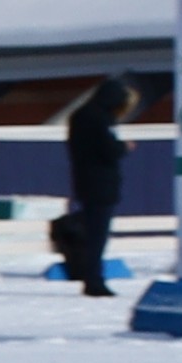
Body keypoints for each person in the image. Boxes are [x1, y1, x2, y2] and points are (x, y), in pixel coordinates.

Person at [59, 82, 128, 298]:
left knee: (90, 233)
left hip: (83, 181)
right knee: (98, 235)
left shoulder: (78, 116)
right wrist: (123, 147)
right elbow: (109, 150)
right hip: (102, 185)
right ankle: (94, 280)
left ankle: (90, 275)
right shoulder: (102, 119)